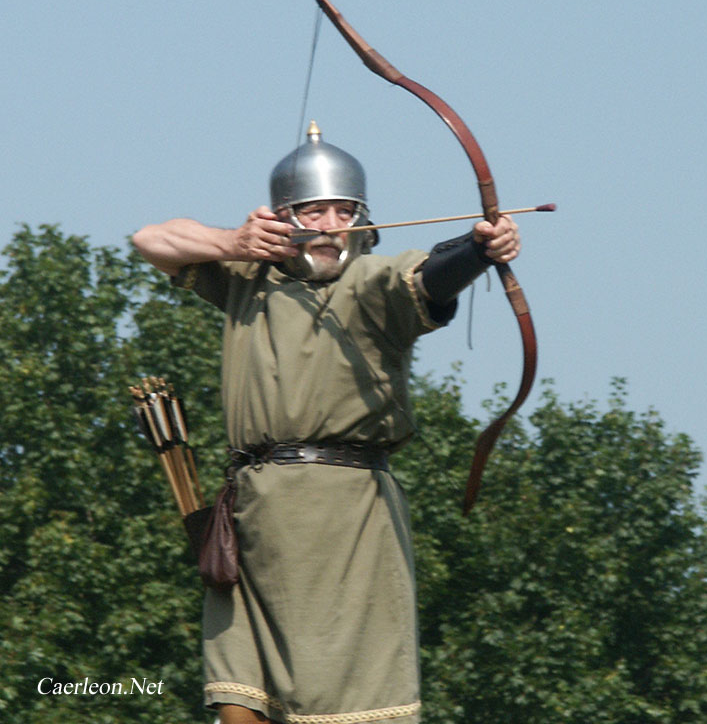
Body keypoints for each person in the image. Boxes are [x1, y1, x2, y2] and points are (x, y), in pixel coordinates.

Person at [132, 122, 520, 724]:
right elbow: (149, 239)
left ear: (362, 224)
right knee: (237, 703)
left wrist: (477, 249)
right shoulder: (245, 281)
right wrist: (232, 242)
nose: (331, 225)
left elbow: (429, 276)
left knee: (343, 706)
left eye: (345, 212)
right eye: (314, 211)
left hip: (345, 523)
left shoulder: (372, 284)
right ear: (281, 220)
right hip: (248, 523)